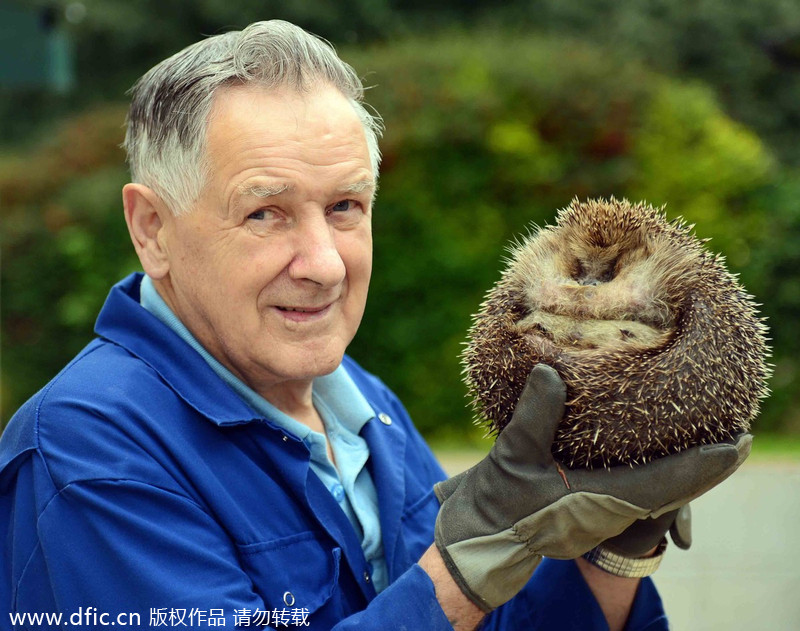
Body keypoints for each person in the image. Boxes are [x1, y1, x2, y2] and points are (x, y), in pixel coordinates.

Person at [0, 20, 749, 630]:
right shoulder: (86, 452)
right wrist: (458, 570)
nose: (324, 264)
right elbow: (455, 598)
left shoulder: (365, 407)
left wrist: (613, 549)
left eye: (345, 207)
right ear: (152, 228)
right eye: (266, 212)